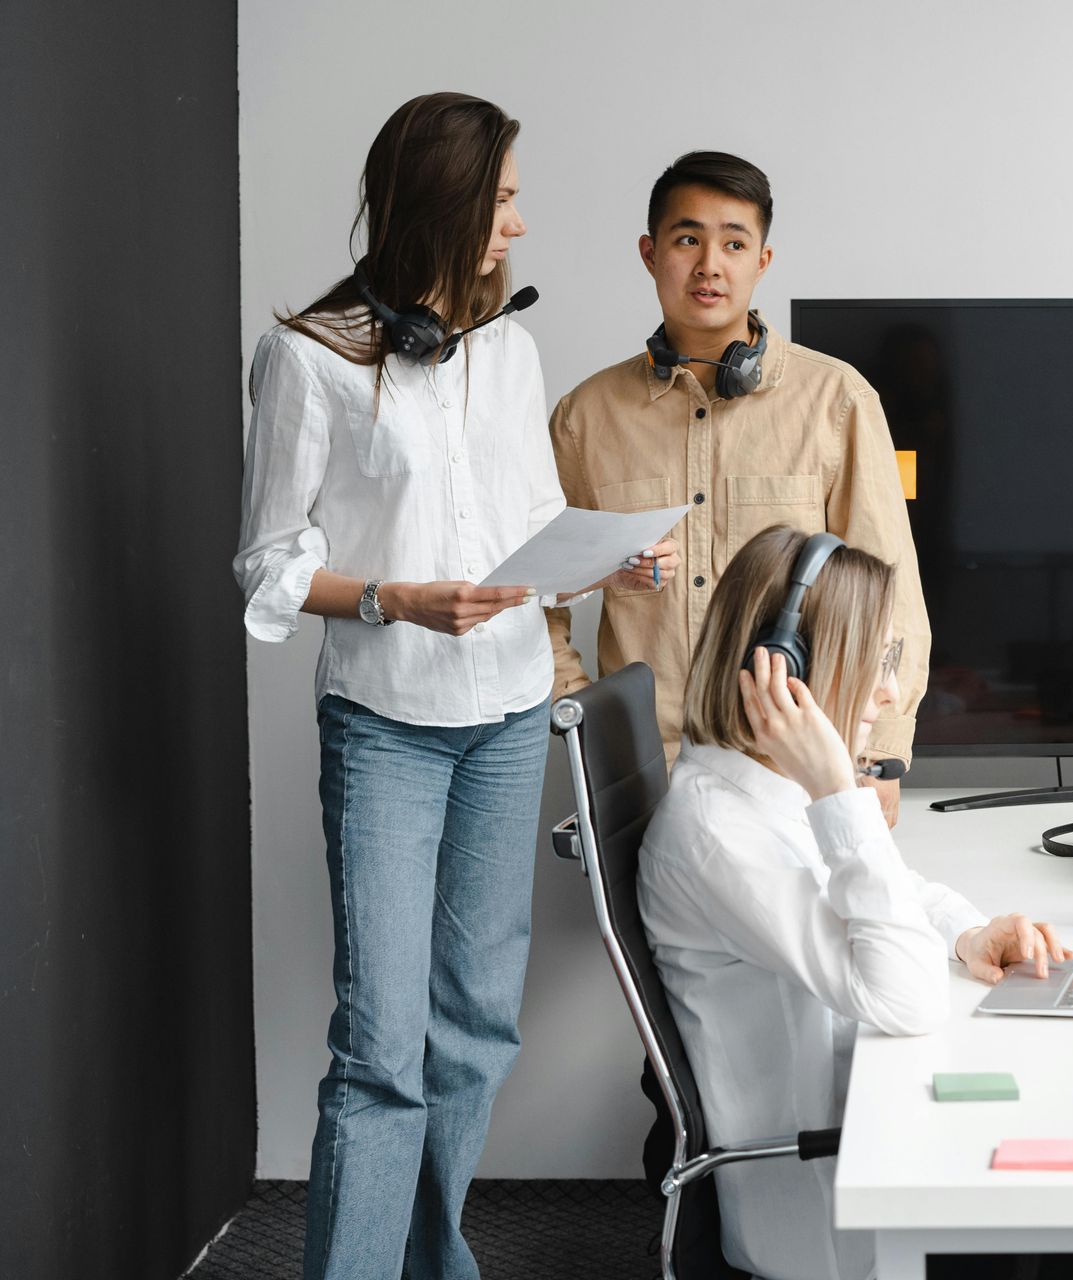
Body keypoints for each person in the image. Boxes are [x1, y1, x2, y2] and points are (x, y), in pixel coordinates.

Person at [234, 93, 578, 1280]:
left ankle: (437, 1262)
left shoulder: (513, 347)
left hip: (512, 709)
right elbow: (269, 561)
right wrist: (393, 598)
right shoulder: (308, 358)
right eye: (506, 198)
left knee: (476, 1028)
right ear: (445, 200)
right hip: (386, 720)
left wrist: (606, 551)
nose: (519, 226)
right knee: (382, 1043)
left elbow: (532, 516)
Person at [638, 526, 1067, 1280]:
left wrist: (969, 932)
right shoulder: (718, 832)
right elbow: (902, 997)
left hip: (872, 1137)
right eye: (878, 658)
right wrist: (840, 787)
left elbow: (884, 890)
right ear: (785, 670)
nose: (890, 692)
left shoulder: (758, 792)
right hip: (831, 1219)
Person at [545, 151, 928, 825]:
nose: (709, 266)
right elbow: (535, 591)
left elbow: (888, 591)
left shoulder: (837, 400)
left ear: (763, 260)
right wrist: (583, 716)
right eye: (687, 239)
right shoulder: (584, 419)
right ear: (650, 252)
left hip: (796, 773)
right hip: (645, 772)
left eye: (734, 242)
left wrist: (879, 758)